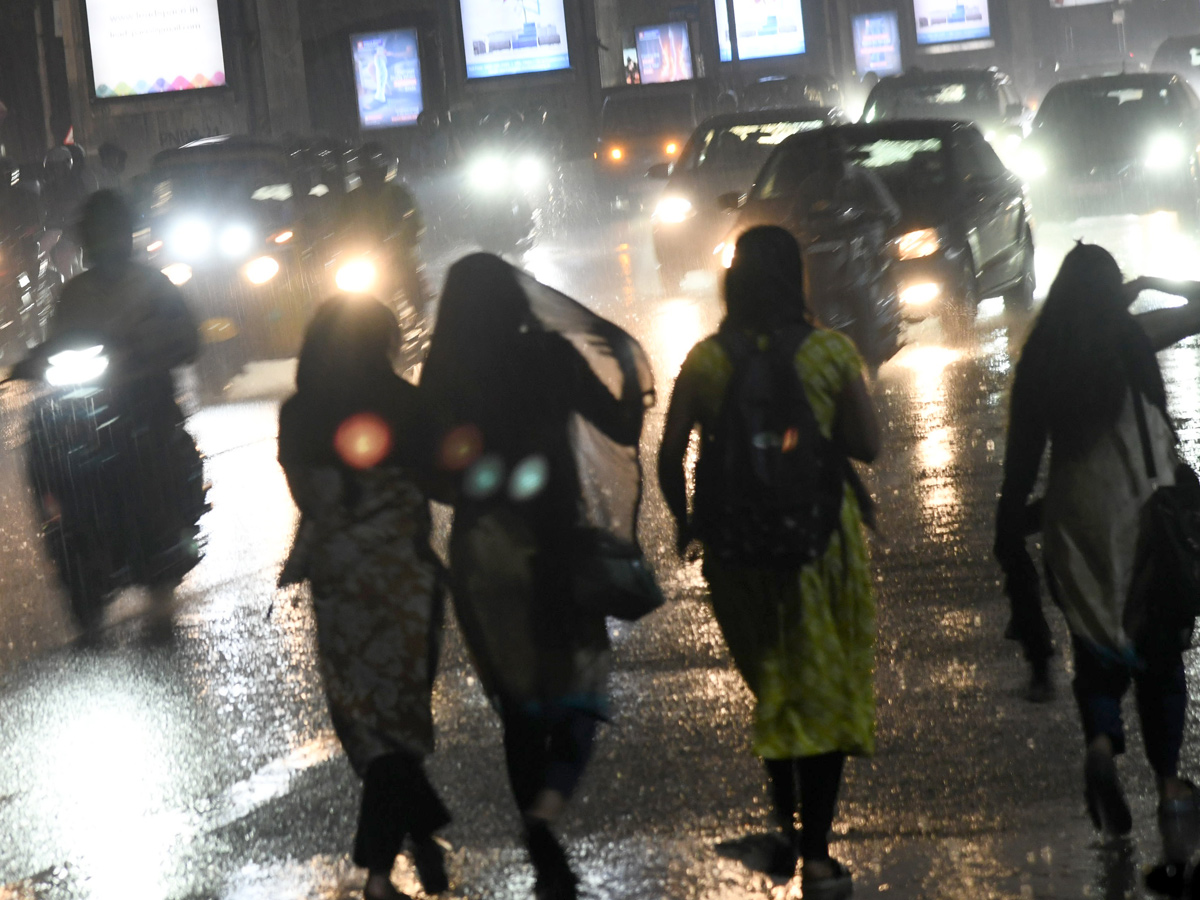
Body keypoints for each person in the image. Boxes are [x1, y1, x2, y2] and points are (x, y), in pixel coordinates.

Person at [658, 226, 880, 899]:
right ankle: (815, 855)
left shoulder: (706, 361)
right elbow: (867, 444)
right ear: (796, 279)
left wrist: (687, 521)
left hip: (736, 550)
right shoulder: (828, 352)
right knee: (824, 685)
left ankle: (785, 828)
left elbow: (669, 455)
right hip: (819, 543)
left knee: (778, 684)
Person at [421, 253, 649, 900]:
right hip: (552, 539)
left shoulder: (443, 372)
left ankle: (539, 840)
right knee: (580, 683)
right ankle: (547, 814)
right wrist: (633, 373)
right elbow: (624, 426)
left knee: (518, 709)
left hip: (482, 550)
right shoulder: (551, 356)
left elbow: (436, 478)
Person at [996, 243, 1200, 841]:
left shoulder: (1041, 358)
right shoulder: (1131, 336)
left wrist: (1012, 525)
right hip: (1144, 508)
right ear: (1112, 293)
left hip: (1074, 516)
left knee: (1095, 645)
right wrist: (1148, 282)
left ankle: (1104, 746)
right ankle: (1169, 786)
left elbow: (1021, 464)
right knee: (1158, 651)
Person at [277, 296, 451, 900]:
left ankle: (424, 833)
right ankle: (379, 872)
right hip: (405, 580)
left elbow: (310, 499)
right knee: (400, 723)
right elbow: (441, 478)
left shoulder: (298, 414)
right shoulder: (404, 402)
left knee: (371, 725)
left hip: (339, 588)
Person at [26, 189, 203, 627]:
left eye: (111, 232)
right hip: (83, 408)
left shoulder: (153, 285)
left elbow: (186, 338)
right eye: (96, 233)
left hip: (141, 399)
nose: (103, 242)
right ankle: (65, 534)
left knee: (157, 449)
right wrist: (33, 361)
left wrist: (148, 350)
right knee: (41, 441)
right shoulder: (74, 294)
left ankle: (163, 541)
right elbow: (57, 344)